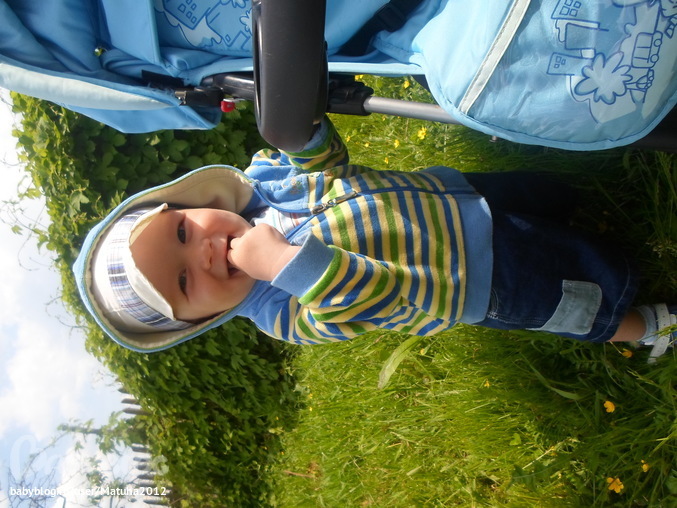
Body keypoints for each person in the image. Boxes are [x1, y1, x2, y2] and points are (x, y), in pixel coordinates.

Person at [73, 117, 675, 362]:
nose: (202, 251)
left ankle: (591, 199)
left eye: (182, 231)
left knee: (543, 198)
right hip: (477, 282)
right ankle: (646, 326)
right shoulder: (280, 312)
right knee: (568, 301)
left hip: (456, 196)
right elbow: (368, 302)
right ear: (199, 320)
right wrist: (283, 264)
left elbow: (333, 168)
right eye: (184, 280)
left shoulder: (264, 180)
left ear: (187, 204)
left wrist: (302, 134)